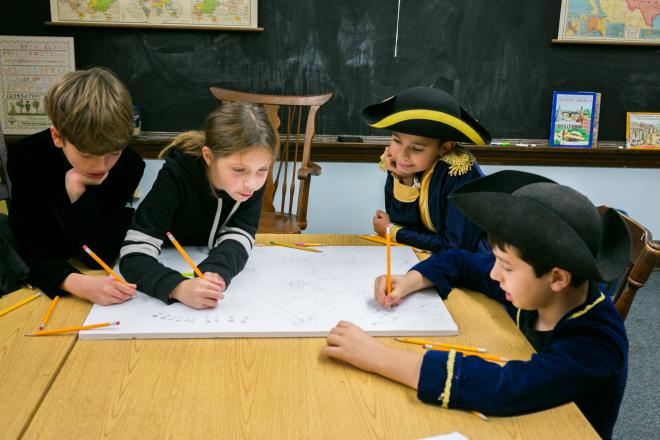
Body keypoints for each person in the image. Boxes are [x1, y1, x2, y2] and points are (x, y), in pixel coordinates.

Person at [323, 170, 631, 439]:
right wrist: (411, 281)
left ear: (558, 278)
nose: (495, 274)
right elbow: (464, 261)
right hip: (527, 420)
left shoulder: (597, 343)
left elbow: (501, 387)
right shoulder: (539, 289)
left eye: (506, 267)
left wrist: (376, 357)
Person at [119, 101, 276, 309]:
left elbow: (240, 233)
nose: (252, 183)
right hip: (165, 265)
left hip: (202, 262)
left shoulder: (249, 184)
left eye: (262, 170)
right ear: (209, 156)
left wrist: (217, 271)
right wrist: (177, 287)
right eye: (238, 170)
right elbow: (134, 253)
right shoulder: (175, 178)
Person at [7, 67, 144, 304]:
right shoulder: (27, 157)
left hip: (90, 270)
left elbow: (100, 253)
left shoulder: (128, 165)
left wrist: (77, 191)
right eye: (87, 154)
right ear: (57, 137)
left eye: (113, 152)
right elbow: (32, 245)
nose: (102, 166)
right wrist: (75, 283)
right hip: (42, 286)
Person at [362, 86, 491, 253]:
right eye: (397, 141)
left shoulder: (460, 173)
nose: (402, 155)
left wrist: (392, 231)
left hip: (473, 267)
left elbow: (455, 245)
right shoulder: (403, 165)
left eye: (417, 148)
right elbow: (408, 227)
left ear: (445, 148)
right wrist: (405, 179)